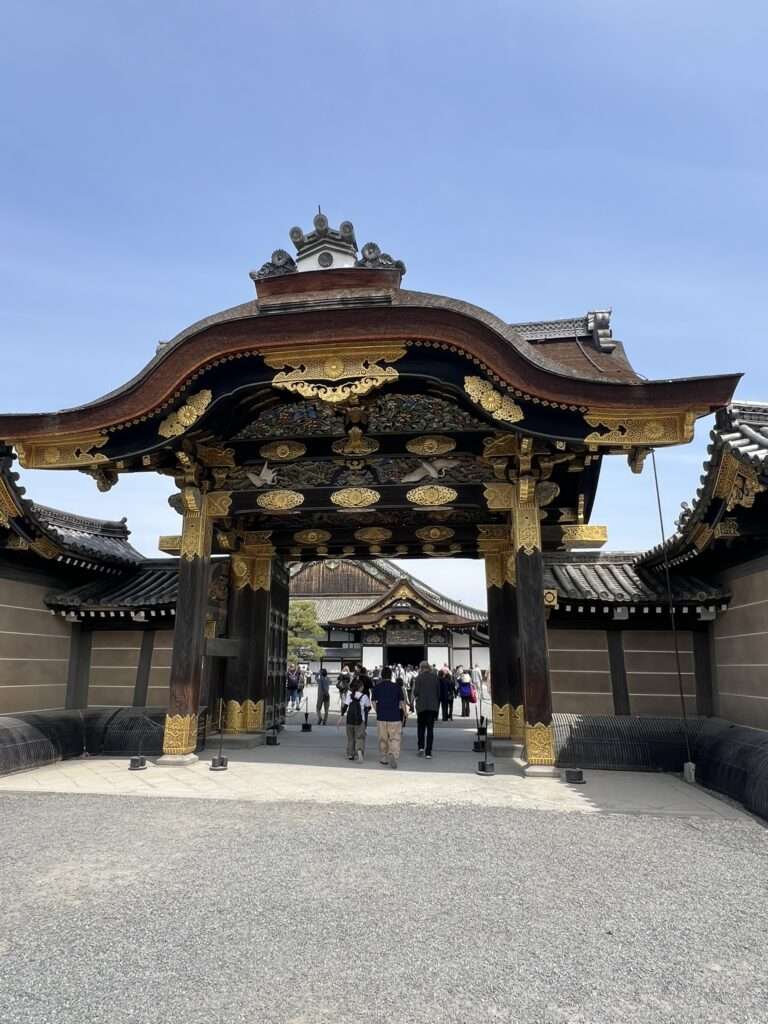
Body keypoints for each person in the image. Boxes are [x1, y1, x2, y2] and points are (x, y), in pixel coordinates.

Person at [372, 666, 406, 769]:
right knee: (395, 738)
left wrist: (377, 711)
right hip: (394, 716)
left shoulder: (377, 687)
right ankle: (394, 755)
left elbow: (373, 701)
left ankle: (383, 758)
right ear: (391, 675)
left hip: (381, 716)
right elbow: (402, 702)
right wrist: (405, 712)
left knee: (383, 738)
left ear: (381, 676)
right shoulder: (397, 687)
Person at [413, 659, 440, 759]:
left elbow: (416, 692)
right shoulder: (435, 678)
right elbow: (438, 693)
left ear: (421, 668)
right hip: (432, 707)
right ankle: (428, 752)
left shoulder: (418, 678)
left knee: (421, 727)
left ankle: (420, 747)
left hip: (421, 706)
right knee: (430, 729)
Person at [340, 679, 370, 761]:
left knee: (350, 738)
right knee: (359, 737)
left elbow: (345, 707)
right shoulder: (364, 697)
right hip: (360, 721)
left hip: (349, 720)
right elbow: (368, 707)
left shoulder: (349, 696)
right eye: (362, 686)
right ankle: (359, 751)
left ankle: (350, 754)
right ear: (360, 687)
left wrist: (340, 718)